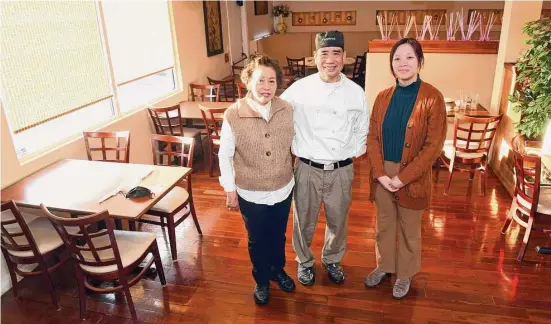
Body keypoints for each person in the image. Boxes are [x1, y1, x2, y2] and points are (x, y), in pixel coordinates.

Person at [280, 30, 369, 285]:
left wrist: (352, 151)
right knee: (304, 221)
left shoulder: (355, 92)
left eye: (336, 53)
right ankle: (304, 262)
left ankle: (332, 258)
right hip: (307, 167)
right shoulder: (299, 89)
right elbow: (275, 113)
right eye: (324, 53)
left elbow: (362, 127)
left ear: (345, 57)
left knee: (338, 220)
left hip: (342, 169)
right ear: (315, 57)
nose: (330, 59)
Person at [364, 38, 447, 299]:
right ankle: (384, 265)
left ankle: (404, 274)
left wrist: (402, 178)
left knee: (409, 228)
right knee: (384, 225)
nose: (403, 63)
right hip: (383, 172)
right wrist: (379, 173)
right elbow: (373, 138)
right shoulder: (382, 97)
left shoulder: (432, 97)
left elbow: (433, 146)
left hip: (413, 173)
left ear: (420, 62)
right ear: (391, 64)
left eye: (409, 57)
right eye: (397, 58)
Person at [218, 54, 295, 305]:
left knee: (278, 234)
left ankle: (277, 270)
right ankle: (261, 278)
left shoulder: (286, 108)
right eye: (261, 80)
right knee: (257, 239)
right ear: (248, 81)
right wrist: (230, 190)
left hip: (283, 187)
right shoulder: (233, 115)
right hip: (251, 192)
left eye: (272, 81)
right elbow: (224, 154)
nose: (266, 87)